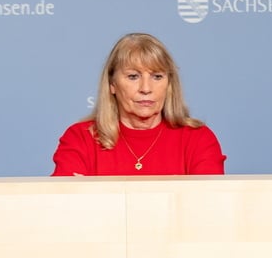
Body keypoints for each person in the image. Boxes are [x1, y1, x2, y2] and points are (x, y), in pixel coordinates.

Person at [52, 33, 226, 176]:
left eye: (157, 76)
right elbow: (64, 207)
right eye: (133, 76)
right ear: (112, 84)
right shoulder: (81, 138)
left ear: (169, 85)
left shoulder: (198, 139)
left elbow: (208, 207)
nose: (146, 88)